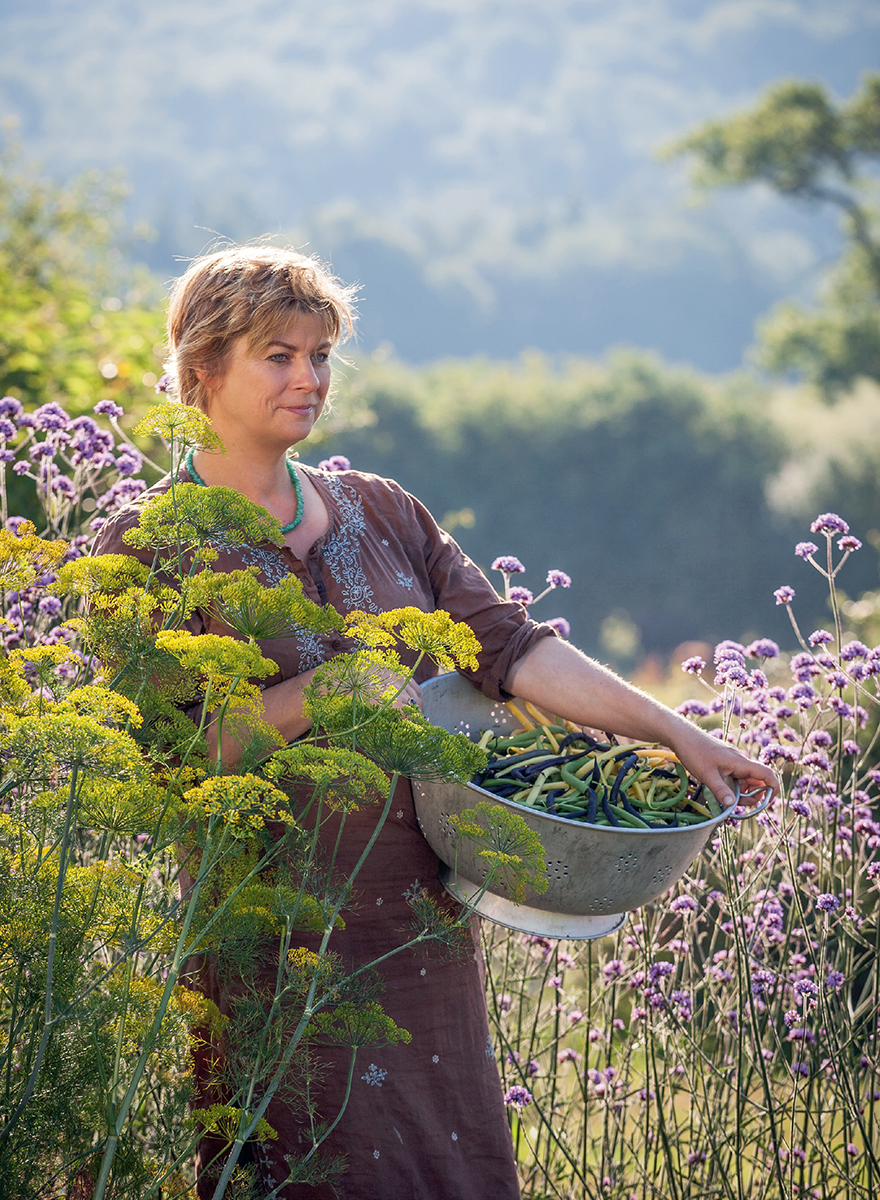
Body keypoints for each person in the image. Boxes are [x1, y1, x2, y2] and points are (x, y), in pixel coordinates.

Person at [93, 245, 778, 1199]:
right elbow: (166, 761)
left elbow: (513, 652)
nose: (310, 378)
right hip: (271, 946)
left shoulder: (382, 510)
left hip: (420, 933)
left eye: (322, 354)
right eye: (278, 355)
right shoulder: (146, 543)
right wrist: (319, 697)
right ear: (202, 369)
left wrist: (676, 734)